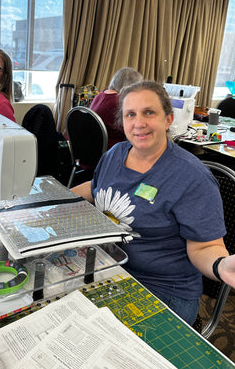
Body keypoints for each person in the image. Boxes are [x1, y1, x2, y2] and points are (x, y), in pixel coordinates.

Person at [72, 80, 235, 326]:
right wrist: (55, 198)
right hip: (111, 269)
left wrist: (221, 265)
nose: (139, 123)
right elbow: (97, 189)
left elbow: (204, 247)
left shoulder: (192, 178)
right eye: (130, 114)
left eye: (149, 112)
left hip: (162, 289)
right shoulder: (115, 154)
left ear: (168, 119)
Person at [90, 67, 143, 149]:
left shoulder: (101, 94)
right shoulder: (119, 102)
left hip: (93, 149)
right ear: (130, 86)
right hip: (113, 151)